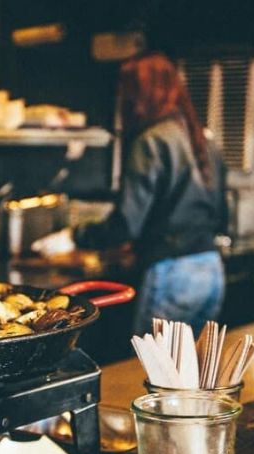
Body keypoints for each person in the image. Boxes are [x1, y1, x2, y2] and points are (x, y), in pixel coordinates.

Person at [32, 52, 227, 335]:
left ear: (141, 95)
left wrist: (74, 237)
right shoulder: (201, 137)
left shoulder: (151, 140)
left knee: (155, 372)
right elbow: (221, 213)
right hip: (210, 270)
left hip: (171, 273)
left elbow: (126, 225)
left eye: (127, 92)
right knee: (191, 373)